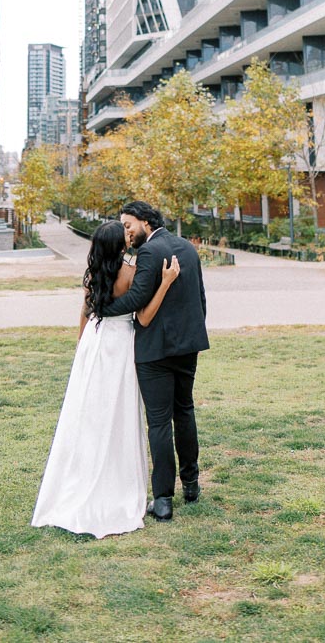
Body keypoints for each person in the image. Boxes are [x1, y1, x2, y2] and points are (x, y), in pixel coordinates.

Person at [31, 220, 180, 539]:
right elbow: (143, 316)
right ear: (120, 245)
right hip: (119, 346)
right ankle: (117, 483)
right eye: (125, 236)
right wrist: (165, 282)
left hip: (93, 345)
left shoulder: (92, 273)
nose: (129, 238)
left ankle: (82, 476)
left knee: (89, 415)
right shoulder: (131, 273)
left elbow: (85, 313)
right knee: (118, 415)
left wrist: (82, 348)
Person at [99, 200, 209, 522]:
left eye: (129, 225)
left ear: (146, 221)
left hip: (155, 351)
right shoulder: (187, 247)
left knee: (159, 422)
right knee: (184, 412)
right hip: (189, 347)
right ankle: (191, 484)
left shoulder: (150, 252)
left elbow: (137, 299)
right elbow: (200, 298)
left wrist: (99, 309)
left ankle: (162, 500)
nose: (126, 232)